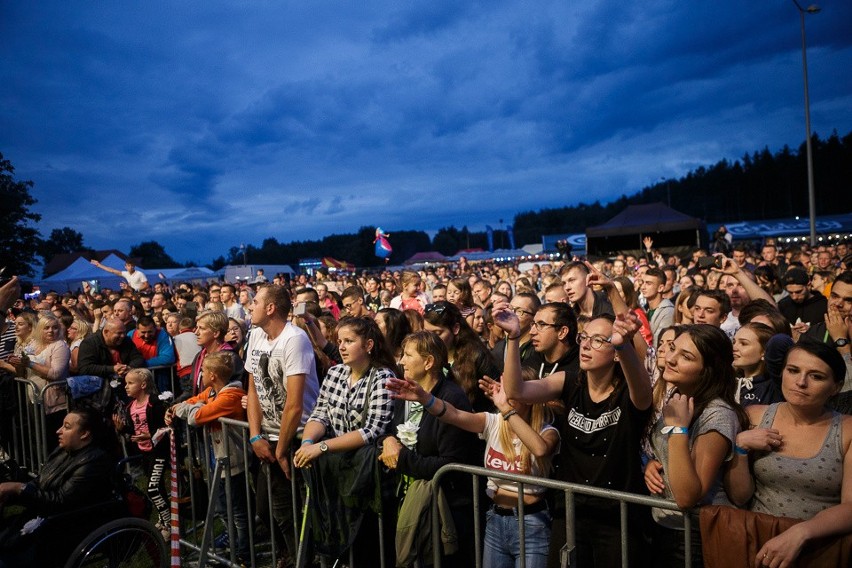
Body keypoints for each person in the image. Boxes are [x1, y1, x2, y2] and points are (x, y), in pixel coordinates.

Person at [495, 299, 653, 567]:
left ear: (615, 352)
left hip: (617, 517)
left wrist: (623, 344)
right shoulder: (570, 380)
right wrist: (512, 338)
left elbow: (642, 388)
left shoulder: (630, 392)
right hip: (570, 509)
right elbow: (517, 392)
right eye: (585, 338)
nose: (587, 345)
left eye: (599, 340)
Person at [389, 363, 560, 568]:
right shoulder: (494, 422)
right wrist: (426, 399)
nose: (507, 397)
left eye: (512, 391)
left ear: (530, 396)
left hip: (531, 524)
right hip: (496, 521)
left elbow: (540, 449)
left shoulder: (547, 431)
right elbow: (455, 415)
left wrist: (506, 409)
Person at [724, 339, 851, 567]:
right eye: (793, 371)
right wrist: (739, 447)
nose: (800, 382)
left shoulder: (847, 429)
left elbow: (851, 507)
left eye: (816, 376)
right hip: (758, 543)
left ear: (836, 386)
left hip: (819, 550)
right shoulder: (755, 416)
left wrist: (801, 532)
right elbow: (740, 496)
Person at [293, 316, 398, 566]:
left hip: (367, 474)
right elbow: (320, 414)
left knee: (365, 545)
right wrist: (308, 441)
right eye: (339, 341)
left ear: (369, 345)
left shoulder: (383, 377)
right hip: (338, 470)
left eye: (349, 341)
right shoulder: (336, 372)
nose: (340, 346)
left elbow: (372, 430)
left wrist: (323, 446)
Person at [645, 324, 748, 566]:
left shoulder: (718, 414)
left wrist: (679, 429)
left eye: (686, 357)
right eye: (672, 349)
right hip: (666, 526)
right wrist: (655, 464)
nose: (670, 359)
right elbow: (673, 453)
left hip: (695, 536)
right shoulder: (680, 397)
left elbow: (688, 496)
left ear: (707, 371)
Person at [379, 331, 480, 567]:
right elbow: (388, 430)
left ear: (428, 362)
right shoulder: (404, 391)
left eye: (408, 355)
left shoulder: (451, 398)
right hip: (411, 500)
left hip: (445, 510)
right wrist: (387, 440)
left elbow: (451, 463)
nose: (401, 360)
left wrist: (402, 458)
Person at [245, 284, 320, 567]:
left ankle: (307, 560)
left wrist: (282, 449)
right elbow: (252, 389)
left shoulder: (294, 339)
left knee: (305, 513)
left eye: (255, 301)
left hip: (301, 437)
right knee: (271, 511)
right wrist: (255, 435)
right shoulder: (255, 336)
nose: (250, 307)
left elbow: (294, 403)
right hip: (270, 437)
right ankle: (294, 557)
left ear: (271, 308)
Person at [0, 409, 117, 567]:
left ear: (84, 434)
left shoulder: (94, 462)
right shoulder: (63, 450)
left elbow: (61, 501)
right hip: (45, 517)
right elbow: (42, 483)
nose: (58, 431)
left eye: (67, 427)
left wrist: (19, 488)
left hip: (64, 528)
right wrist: (10, 494)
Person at [167, 351, 250, 562]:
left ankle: (243, 552)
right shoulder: (212, 392)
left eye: (203, 371)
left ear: (212, 375)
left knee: (237, 510)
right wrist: (189, 407)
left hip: (233, 461)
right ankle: (231, 543)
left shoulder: (231, 396)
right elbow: (193, 402)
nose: (200, 375)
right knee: (223, 506)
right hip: (217, 461)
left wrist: (193, 409)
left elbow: (195, 417)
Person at [113, 368, 170, 538]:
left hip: (158, 452)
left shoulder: (155, 404)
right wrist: (122, 430)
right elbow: (133, 433)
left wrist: (151, 434)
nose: (126, 387)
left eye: (130, 383)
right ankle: (163, 518)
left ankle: (169, 524)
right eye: (125, 383)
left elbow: (166, 428)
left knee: (152, 489)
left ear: (143, 385)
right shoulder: (130, 406)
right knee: (158, 487)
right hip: (144, 453)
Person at [424, 301, 499, 412]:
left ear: (455, 328)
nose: (431, 339)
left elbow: (494, 400)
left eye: (437, 333)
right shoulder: (426, 354)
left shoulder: (476, 356)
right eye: (426, 333)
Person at [732, 322, 786, 406]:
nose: (734, 348)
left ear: (764, 352)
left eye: (743, 343)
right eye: (734, 342)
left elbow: (779, 341)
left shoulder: (774, 386)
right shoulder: (730, 382)